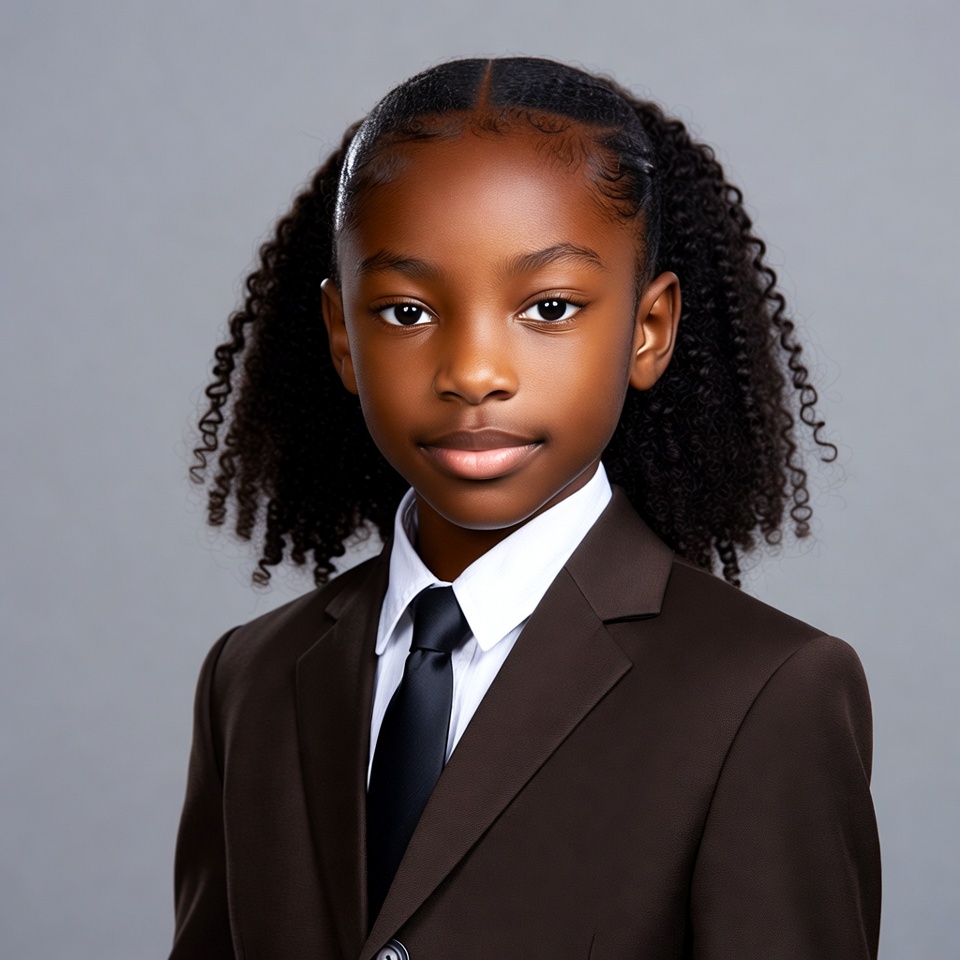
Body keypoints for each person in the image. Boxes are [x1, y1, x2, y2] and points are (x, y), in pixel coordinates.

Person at [171, 58, 880, 960]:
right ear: (342, 337)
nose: (473, 372)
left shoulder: (765, 691)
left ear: (648, 329)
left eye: (548, 307)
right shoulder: (251, 677)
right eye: (405, 311)